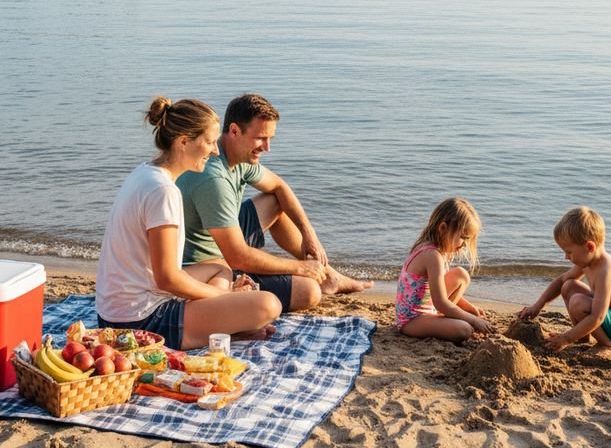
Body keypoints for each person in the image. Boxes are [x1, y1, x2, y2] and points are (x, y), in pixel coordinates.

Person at [96, 97, 282, 350]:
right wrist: (227, 296)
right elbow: (167, 279)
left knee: (219, 268)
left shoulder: (145, 172)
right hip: (139, 321)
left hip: (116, 312)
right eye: (210, 142)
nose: (216, 151)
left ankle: (214, 326)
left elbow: (163, 277)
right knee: (268, 304)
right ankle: (214, 329)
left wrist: (222, 298)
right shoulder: (163, 191)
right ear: (183, 141)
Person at [177, 93, 372, 313]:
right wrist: (301, 268)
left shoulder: (238, 155)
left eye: (270, 138)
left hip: (222, 237)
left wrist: (309, 234)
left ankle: (329, 275)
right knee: (308, 291)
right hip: (209, 265)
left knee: (274, 201)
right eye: (260, 138)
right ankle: (317, 275)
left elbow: (279, 187)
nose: (267, 147)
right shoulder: (213, 178)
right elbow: (237, 256)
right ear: (234, 131)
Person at [518, 206, 611, 356]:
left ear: (589, 247)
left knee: (578, 302)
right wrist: (538, 305)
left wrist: (565, 339)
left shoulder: (606, 272)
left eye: (569, 252)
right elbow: (561, 281)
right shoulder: (588, 262)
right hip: (609, 315)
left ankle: (608, 345)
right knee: (568, 286)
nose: (566, 257)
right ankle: (583, 337)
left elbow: (598, 316)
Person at [395, 197, 491, 342]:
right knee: (464, 329)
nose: (465, 244)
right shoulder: (432, 256)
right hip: (412, 320)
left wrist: (468, 307)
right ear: (443, 228)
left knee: (461, 275)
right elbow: (440, 302)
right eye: (463, 237)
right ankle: (447, 319)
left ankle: (446, 318)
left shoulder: (439, 250)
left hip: (429, 310)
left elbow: (439, 289)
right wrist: (473, 320)